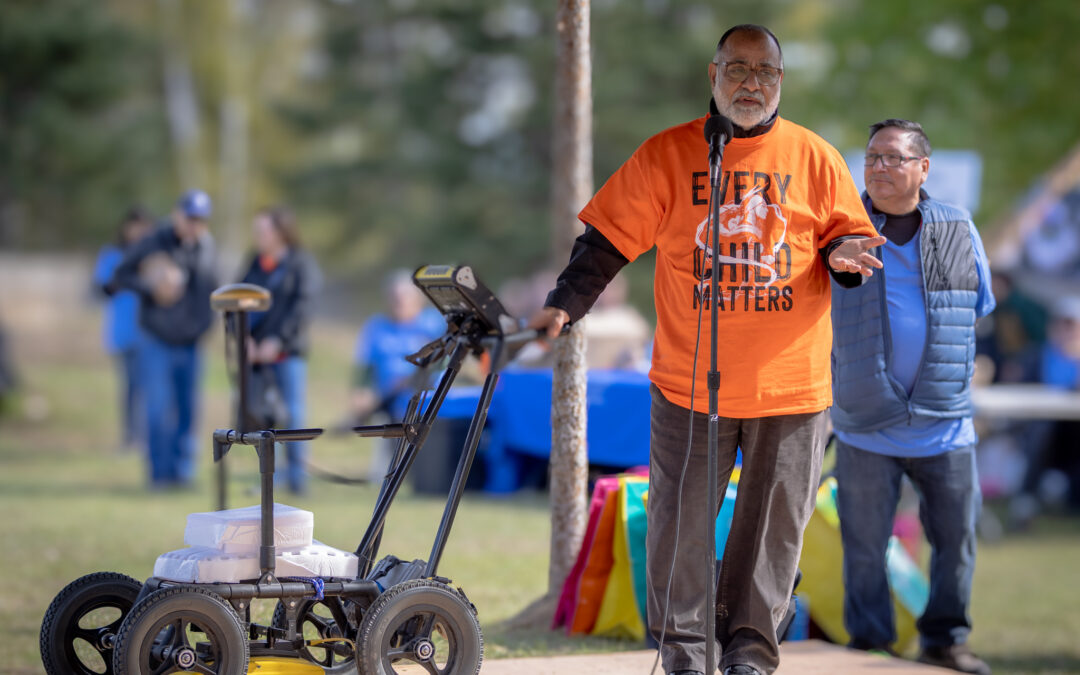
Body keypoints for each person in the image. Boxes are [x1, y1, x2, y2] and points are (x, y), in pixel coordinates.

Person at [529, 24, 884, 675]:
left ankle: (751, 650)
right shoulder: (667, 154)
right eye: (738, 69)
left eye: (766, 72)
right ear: (713, 74)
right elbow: (605, 241)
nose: (752, 83)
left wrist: (847, 256)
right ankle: (686, 652)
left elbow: (844, 241)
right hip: (690, 384)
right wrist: (563, 303)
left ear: (781, 81)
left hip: (793, 388)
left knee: (773, 534)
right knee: (679, 527)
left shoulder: (815, 157)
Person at [830, 119, 995, 675]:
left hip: (944, 422)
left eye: (893, 158)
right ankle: (871, 646)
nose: (879, 167)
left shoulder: (956, 225)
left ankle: (945, 641)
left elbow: (979, 304)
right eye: (872, 157)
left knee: (956, 544)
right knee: (863, 547)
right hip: (863, 421)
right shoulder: (840, 229)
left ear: (923, 167)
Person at [112, 189, 219, 489]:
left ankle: (182, 473)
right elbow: (122, 274)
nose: (194, 225)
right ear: (177, 214)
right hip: (156, 340)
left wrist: (205, 327)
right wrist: (153, 284)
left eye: (200, 220)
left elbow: (212, 288)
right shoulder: (154, 241)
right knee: (158, 409)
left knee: (187, 409)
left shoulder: (207, 248)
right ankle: (159, 475)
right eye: (190, 217)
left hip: (190, 342)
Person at [238, 206, 322, 495]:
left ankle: (298, 480)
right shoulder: (254, 263)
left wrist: (278, 341)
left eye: (262, 230)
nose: (257, 236)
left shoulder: (301, 263)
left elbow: (303, 308)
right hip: (257, 359)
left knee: (293, 416)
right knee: (261, 418)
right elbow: (237, 300)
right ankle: (269, 479)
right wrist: (244, 338)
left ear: (280, 232)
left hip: (288, 356)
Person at [350, 270, 444, 481]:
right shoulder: (376, 326)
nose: (398, 303)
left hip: (424, 393)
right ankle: (390, 468)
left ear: (418, 300)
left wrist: (412, 381)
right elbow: (365, 366)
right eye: (394, 298)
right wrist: (361, 392)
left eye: (404, 298)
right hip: (386, 397)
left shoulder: (432, 325)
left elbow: (444, 363)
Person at [93, 206, 152, 451]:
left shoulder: (153, 254)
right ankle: (131, 437)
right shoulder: (113, 254)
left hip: (151, 331)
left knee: (151, 387)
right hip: (124, 331)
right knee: (130, 387)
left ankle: (150, 436)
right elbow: (102, 287)